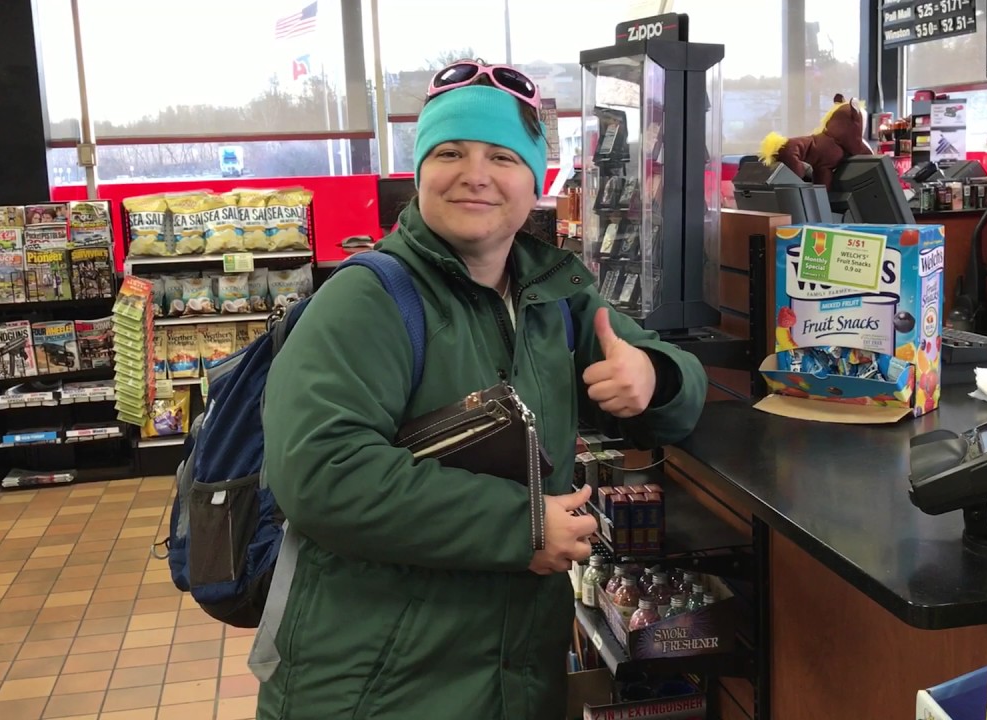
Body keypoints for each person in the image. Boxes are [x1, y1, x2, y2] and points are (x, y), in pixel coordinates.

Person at [257, 60, 709, 720]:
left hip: (512, 677)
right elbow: (321, 472)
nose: (475, 174)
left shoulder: (555, 297)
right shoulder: (368, 300)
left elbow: (675, 373)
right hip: (374, 687)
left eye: (502, 156)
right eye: (450, 153)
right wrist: (521, 528)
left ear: (534, 182)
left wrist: (652, 376)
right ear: (419, 174)